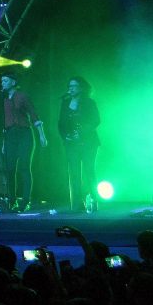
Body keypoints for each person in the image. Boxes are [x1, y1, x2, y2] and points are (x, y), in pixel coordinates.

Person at [0, 73, 47, 212]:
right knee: (9, 168)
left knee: (24, 167)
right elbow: (6, 122)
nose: (2, 83)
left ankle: (26, 201)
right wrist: (4, 143)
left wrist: (42, 135)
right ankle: (12, 200)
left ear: (13, 82)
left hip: (24, 134)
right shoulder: (4, 99)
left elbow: (33, 114)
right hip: (10, 136)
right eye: (2, 81)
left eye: (5, 80)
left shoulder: (22, 96)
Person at [58, 76, 101, 212]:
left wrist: (82, 132)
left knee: (89, 170)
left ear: (81, 88)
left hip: (88, 142)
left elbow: (96, 120)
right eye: (69, 86)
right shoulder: (65, 103)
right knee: (74, 173)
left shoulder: (89, 102)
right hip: (71, 143)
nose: (71, 89)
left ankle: (93, 201)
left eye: (74, 86)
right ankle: (77, 204)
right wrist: (65, 136)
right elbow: (60, 122)